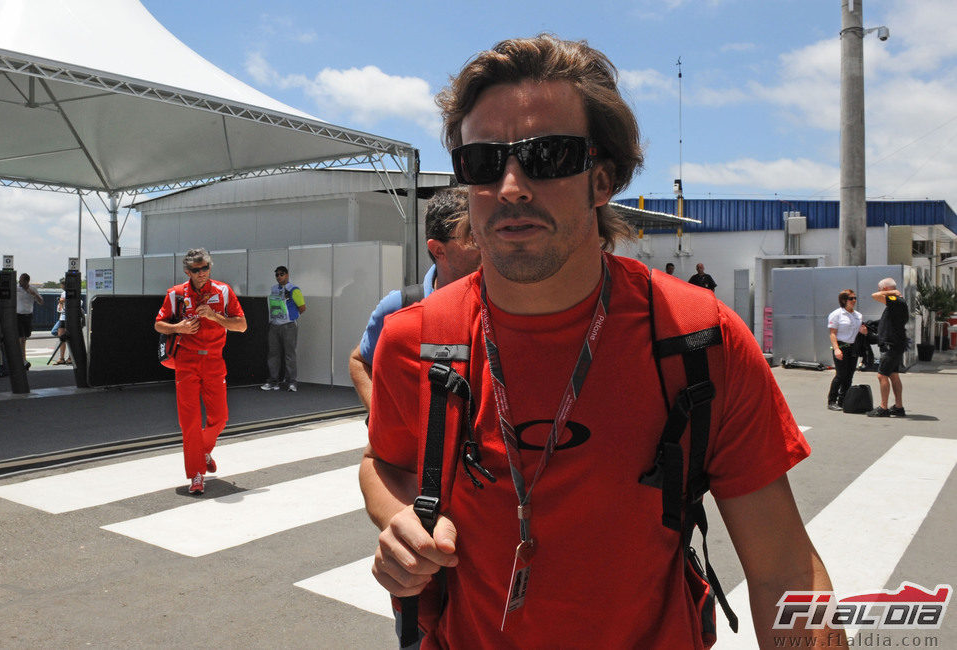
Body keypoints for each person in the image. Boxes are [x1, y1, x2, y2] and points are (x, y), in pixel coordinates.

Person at [360, 34, 842, 649]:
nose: (510, 186)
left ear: (603, 179)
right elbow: (384, 462)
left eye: (548, 155)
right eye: (483, 161)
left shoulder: (699, 338)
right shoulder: (416, 341)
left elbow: (784, 572)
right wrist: (400, 520)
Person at [348, 186, 480, 411]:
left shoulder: (500, 301)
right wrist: (380, 422)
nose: (485, 244)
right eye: (473, 237)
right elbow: (360, 361)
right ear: (438, 250)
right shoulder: (401, 306)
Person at [155, 248, 247, 495]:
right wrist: (179, 327)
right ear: (187, 271)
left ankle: (203, 451)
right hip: (186, 362)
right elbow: (158, 324)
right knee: (190, 422)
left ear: (210, 267)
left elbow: (242, 325)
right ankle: (196, 474)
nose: (201, 273)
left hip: (215, 361)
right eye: (195, 269)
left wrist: (216, 317)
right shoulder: (176, 294)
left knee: (220, 417)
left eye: (205, 267)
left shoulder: (223, 291)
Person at [261, 266, 306, 392]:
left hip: (288, 325)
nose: (279, 277)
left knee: (289, 354)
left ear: (287, 275)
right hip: (275, 324)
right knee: (273, 354)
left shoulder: (294, 289)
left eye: (281, 274)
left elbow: (302, 307)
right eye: (277, 275)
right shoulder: (274, 289)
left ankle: (292, 382)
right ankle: (273, 381)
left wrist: (291, 317)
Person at [868, 277, 908, 417]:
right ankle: (898, 406)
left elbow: (875, 296)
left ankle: (883, 408)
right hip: (895, 344)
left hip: (891, 345)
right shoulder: (897, 303)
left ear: (885, 289)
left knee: (882, 375)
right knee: (893, 375)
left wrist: (894, 292)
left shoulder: (895, 300)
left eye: (881, 289)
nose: (879, 292)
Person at [826, 289, 866, 410]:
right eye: (851, 298)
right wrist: (837, 349)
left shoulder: (858, 315)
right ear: (844, 300)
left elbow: (858, 330)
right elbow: (832, 333)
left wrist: (863, 331)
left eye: (855, 298)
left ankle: (843, 400)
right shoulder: (836, 314)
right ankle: (832, 401)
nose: (853, 301)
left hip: (853, 347)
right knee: (841, 375)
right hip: (841, 346)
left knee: (849, 375)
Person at [15, 273, 44, 369]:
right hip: (18, 315)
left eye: (22, 281)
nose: (20, 282)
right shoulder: (16, 289)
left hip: (28, 316)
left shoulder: (33, 289)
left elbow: (41, 302)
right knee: (20, 338)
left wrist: (34, 294)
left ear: (27, 281)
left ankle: (23, 358)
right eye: (20, 280)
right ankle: (22, 360)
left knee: (24, 338)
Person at [50, 291, 72, 365]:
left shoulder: (70, 294)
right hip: (62, 317)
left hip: (69, 318)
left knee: (69, 338)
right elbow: (59, 309)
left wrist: (63, 301)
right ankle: (62, 358)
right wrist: (61, 303)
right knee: (61, 337)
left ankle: (70, 358)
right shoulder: (63, 293)